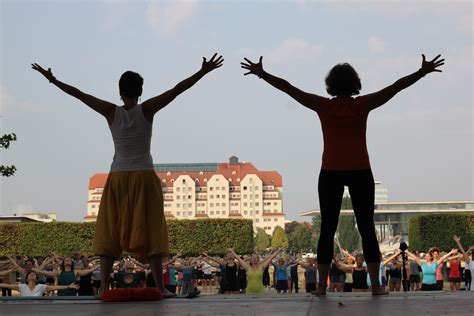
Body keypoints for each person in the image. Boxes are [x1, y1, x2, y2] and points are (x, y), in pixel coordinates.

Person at [241, 54, 444, 296]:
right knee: (367, 228)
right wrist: (421, 72)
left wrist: (263, 74)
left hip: (330, 172)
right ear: (355, 83)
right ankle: (377, 286)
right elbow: (395, 88)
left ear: (331, 85)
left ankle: (321, 287)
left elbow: (291, 90)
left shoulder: (324, 106)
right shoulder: (362, 105)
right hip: (360, 171)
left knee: (327, 228)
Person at [32, 53, 224, 298]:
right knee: (152, 227)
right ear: (140, 90)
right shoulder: (148, 109)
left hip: (119, 177)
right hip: (144, 176)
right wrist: (203, 71)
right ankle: (161, 288)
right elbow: (177, 90)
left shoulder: (111, 111)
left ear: (119, 91)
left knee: (110, 227)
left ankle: (102, 287)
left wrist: (53, 80)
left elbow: (80, 95)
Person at [0, 271, 79, 297]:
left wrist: (69, 286)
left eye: (34, 274)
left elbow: (56, 287)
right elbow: (6, 285)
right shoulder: (21, 286)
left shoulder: (41, 286)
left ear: (36, 279)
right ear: (27, 279)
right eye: (30, 274)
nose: (32, 274)